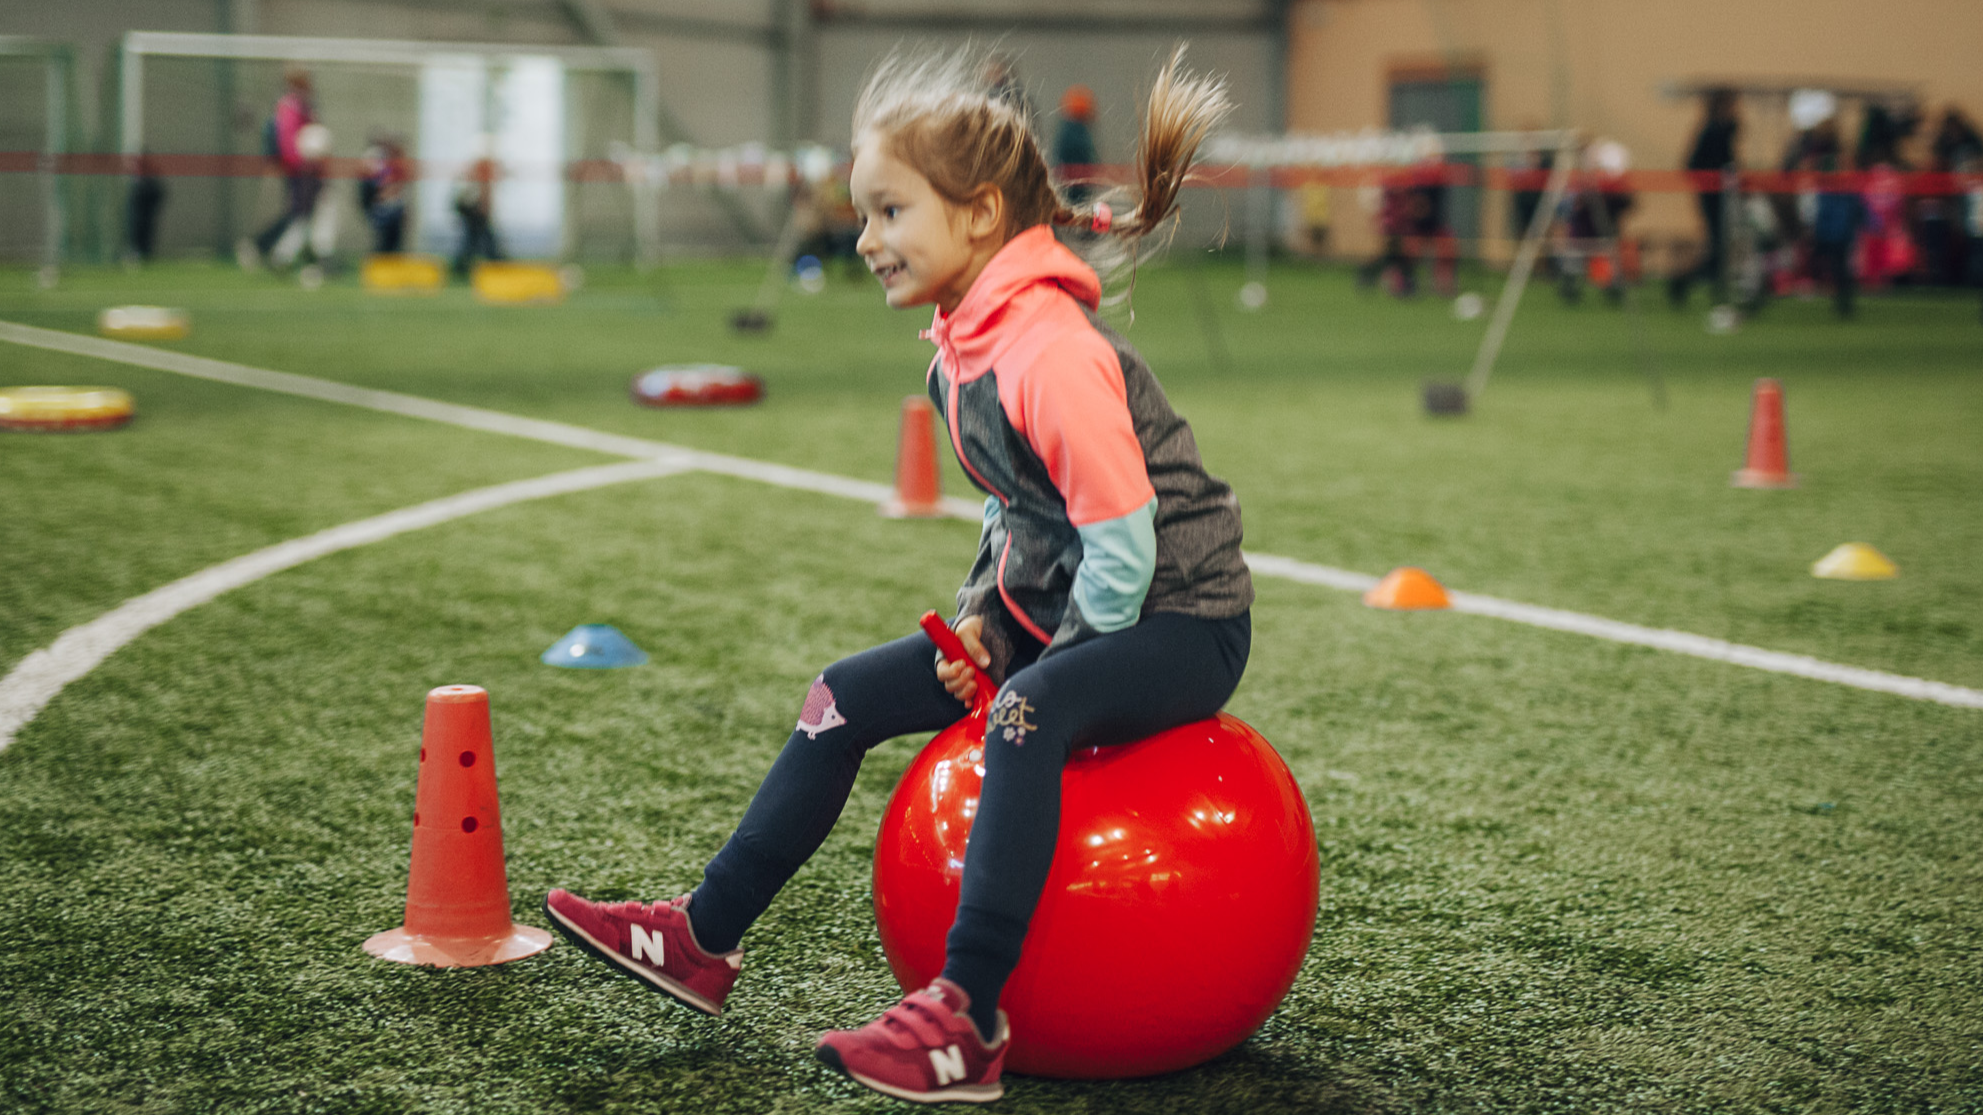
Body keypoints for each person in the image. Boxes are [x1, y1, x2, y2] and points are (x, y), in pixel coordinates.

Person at [542, 46, 1252, 1105]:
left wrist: (1032, 671)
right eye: (863, 213)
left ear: (979, 215)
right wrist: (981, 623)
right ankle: (700, 937)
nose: (865, 238)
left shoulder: (1050, 350)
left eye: (888, 211)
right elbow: (1013, 508)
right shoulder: (960, 348)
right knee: (843, 694)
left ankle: (964, 1019)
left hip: (1178, 618)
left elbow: (1124, 545)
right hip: (1066, 603)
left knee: (1021, 716)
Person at [241, 70, 322, 270]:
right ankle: (264, 248)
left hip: (305, 169)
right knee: (298, 213)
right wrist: (299, 163)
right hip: (298, 169)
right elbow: (288, 140)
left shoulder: (304, 107)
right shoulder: (290, 107)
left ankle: (277, 250)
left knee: (300, 213)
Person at [1668, 87, 1741, 308]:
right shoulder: (1712, 130)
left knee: (1721, 246)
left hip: (1722, 196)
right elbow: (1692, 164)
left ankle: (1702, 286)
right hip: (1713, 196)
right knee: (1718, 246)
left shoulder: (1724, 129)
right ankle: (1684, 283)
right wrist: (1712, 181)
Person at [452, 143, 504, 277]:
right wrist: (484, 208)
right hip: (473, 209)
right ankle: (495, 263)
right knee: (479, 239)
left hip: (470, 208)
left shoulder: (476, 168)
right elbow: (483, 191)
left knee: (475, 238)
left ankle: (462, 266)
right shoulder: (483, 168)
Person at [359, 135, 410, 254]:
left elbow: (398, 188)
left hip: (394, 208)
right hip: (385, 208)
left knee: (394, 242)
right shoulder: (386, 167)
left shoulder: (399, 167)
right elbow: (381, 187)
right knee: (384, 241)